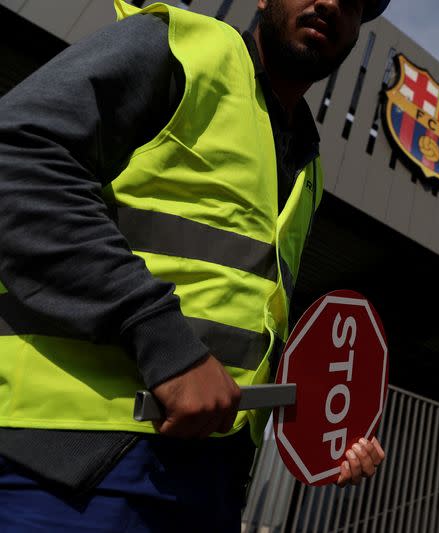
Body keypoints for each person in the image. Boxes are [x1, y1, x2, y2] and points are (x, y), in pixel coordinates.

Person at [0, 0, 389, 530]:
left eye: (356, 1)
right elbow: (16, 155)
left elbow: (242, 325)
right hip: (66, 468)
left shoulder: (309, 164)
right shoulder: (184, 48)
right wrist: (166, 345)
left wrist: (327, 431)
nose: (331, 4)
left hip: (211, 489)